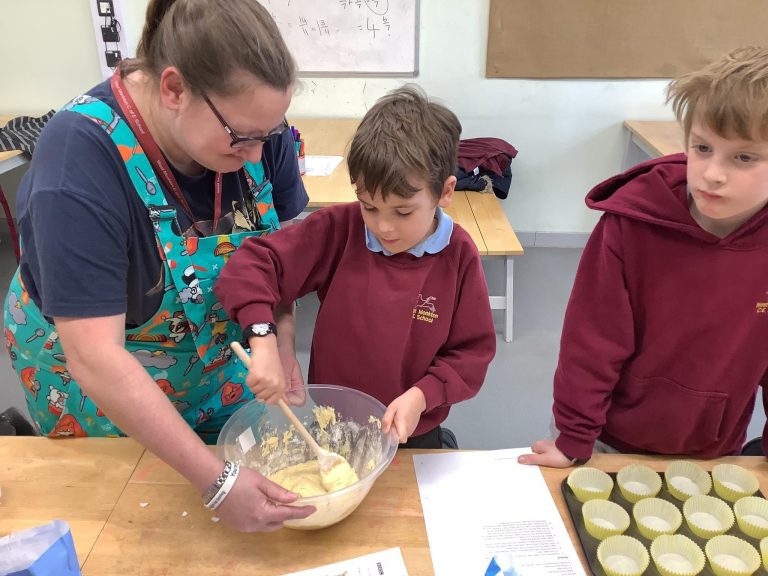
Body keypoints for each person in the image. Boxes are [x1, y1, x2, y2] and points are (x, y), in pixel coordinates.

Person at [3, 0, 316, 530]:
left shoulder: (259, 134)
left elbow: (276, 257)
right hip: (100, 381)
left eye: (271, 134)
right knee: (137, 524)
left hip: (213, 361)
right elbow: (97, 357)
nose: (259, 157)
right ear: (173, 89)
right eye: (242, 138)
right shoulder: (77, 163)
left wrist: (280, 343)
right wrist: (216, 481)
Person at [519, 46, 768, 468]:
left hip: (713, 449)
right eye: (702, 148)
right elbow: (591, 341)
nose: (712, 173)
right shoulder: (629, 226)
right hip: (608, 440)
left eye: (743, 157)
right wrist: (575, 438)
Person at [215, 86, 496, 448]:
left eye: (403, 211)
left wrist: (424, 395)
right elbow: (251, 266)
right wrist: (264, 337)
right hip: (333, 423)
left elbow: (471, 354)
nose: (383, 226)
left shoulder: (458, 255)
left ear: (444, 192)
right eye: (369, 206)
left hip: (412, 427)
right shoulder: (340, 230)